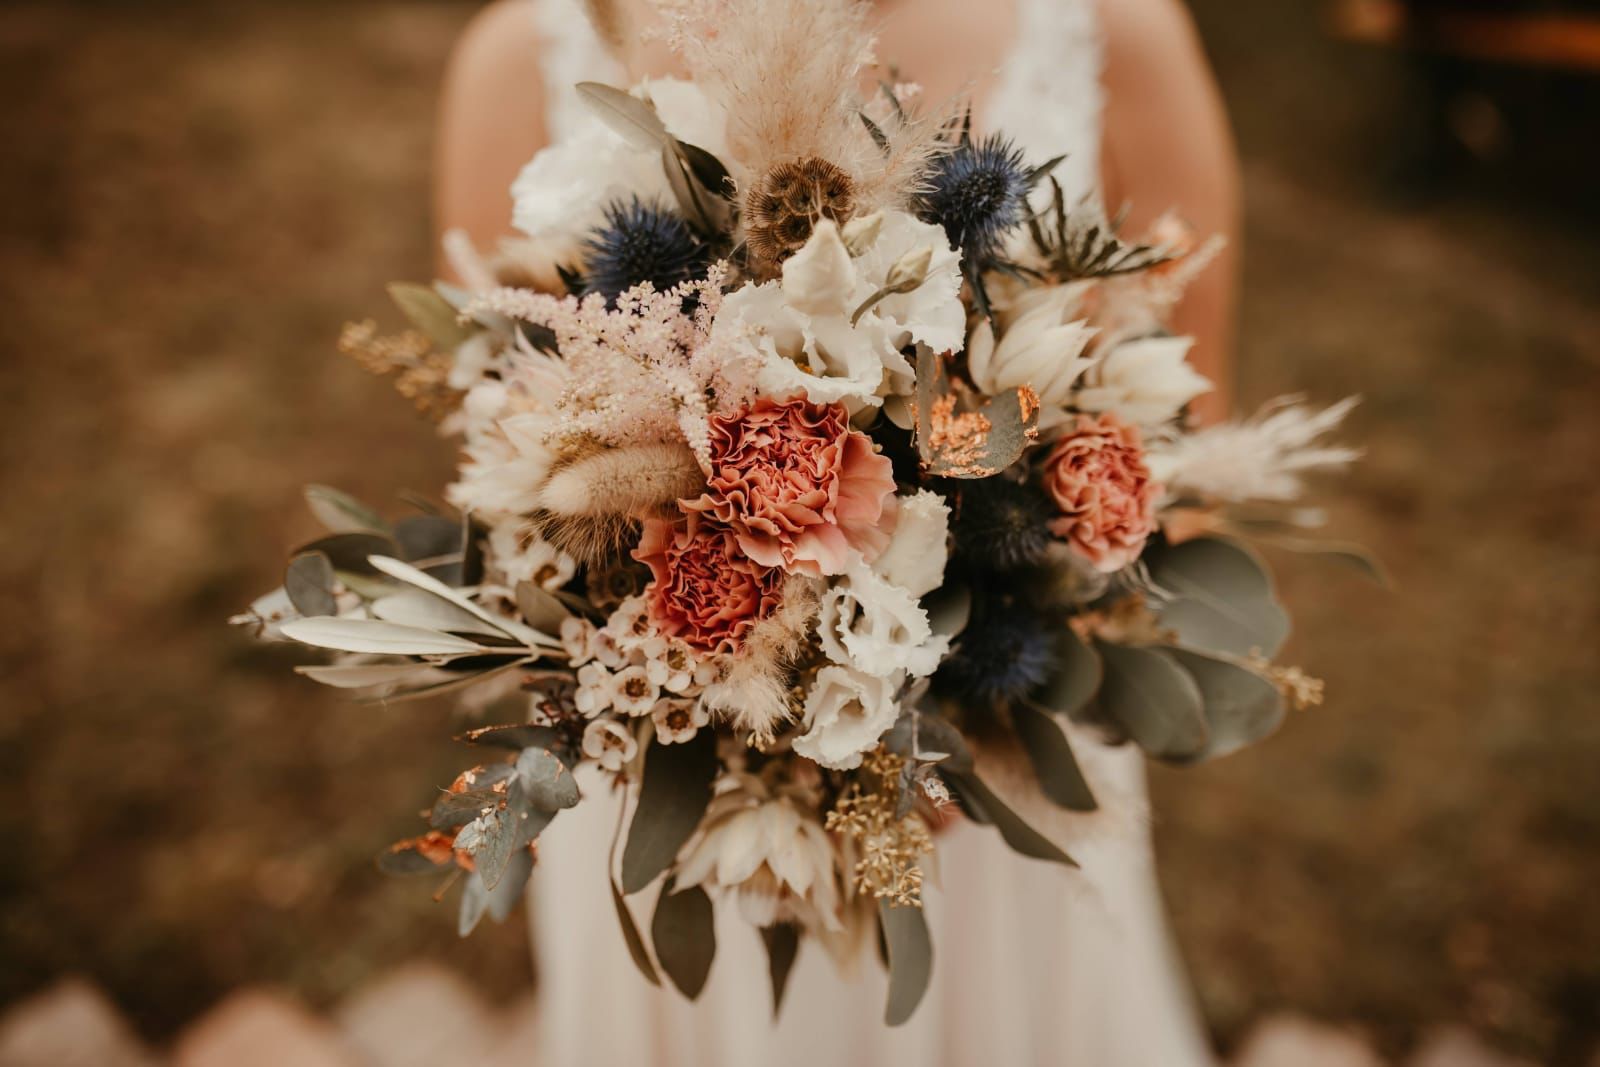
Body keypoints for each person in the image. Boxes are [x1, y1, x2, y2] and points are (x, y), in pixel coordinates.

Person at [434, 1, 1239, 1062]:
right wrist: (716, 676)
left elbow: (1187, 468)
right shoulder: (519, 58)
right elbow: (501, 444)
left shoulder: (1114, 32)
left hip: (998, 785)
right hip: (666, 794)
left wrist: (953, 698)